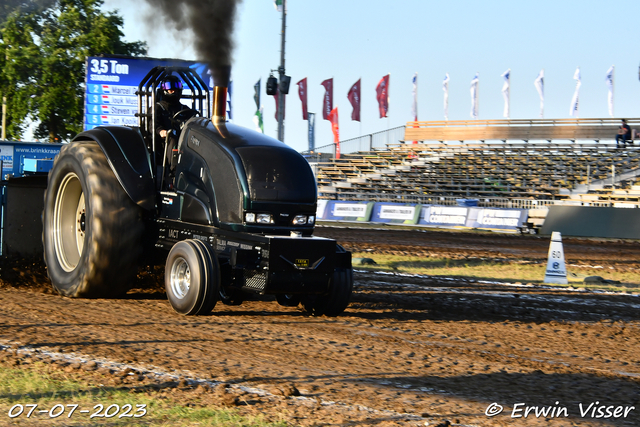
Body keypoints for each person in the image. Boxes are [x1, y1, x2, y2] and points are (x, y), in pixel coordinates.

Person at [154, 75, 190, 184]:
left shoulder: (185, 109)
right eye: (170, 87)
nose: (173, 90)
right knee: (173, 139)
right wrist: (161, 131)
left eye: (176, 87)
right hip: (163, 144)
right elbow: (153, 125)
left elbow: (193, 122)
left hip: (184, 141)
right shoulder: (158, 108)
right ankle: (174, 175)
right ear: (164, 89)